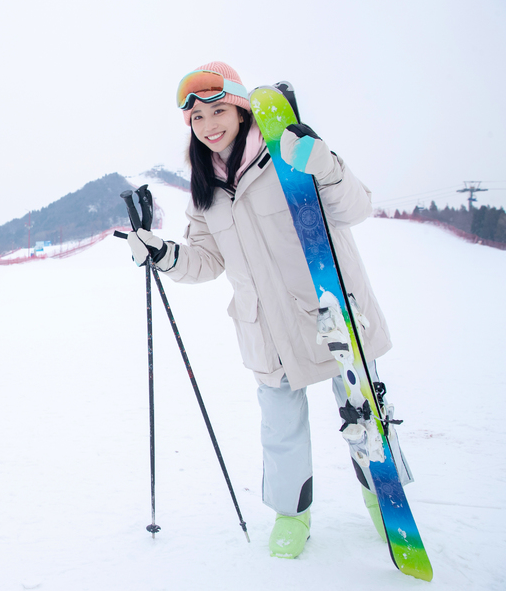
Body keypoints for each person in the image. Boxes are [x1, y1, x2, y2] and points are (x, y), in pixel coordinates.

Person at [126, 61, 412, 558]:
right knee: (281, 430)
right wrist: (163, 254)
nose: (210, 125)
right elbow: (207, 261)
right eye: (198, 119)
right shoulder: (204, 193)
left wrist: (325, 165)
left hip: (329, 316)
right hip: (267, 331)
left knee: (363, 417)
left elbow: (356, 208)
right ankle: (291, 516)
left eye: (219, 111)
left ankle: (382, 505)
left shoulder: (291, 156)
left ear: (240, 110)